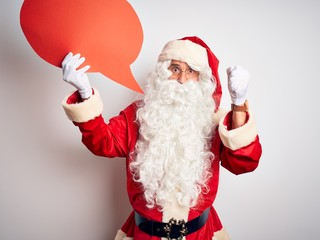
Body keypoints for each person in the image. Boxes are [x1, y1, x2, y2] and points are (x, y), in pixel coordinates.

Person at [61, 36, 262, 240]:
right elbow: (102, 143)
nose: (182, 79)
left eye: (190, 71)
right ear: (162, 73)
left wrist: (239, 103)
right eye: (175, 69)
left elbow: (244, 164)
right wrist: (85, 92)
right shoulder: (139, 115)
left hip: (199, 235)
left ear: (201, 78)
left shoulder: (215, 121)